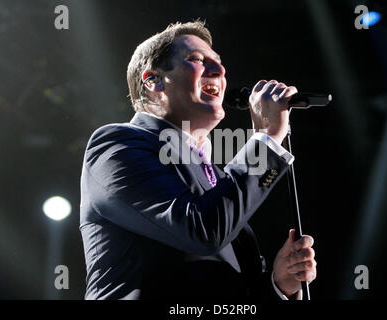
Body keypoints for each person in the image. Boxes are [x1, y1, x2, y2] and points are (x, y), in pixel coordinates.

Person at [79, 21, 316, 300]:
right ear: (153, 80)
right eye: (196, 60)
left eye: (219, 63)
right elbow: (202, 231)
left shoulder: (218, 180)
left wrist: (280, 284)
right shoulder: (117, 145)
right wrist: (266, 139)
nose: (219, 70)